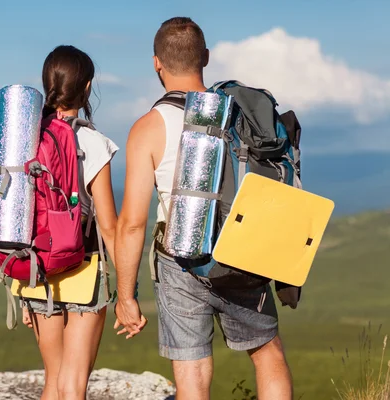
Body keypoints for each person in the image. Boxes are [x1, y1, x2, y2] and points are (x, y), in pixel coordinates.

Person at [113, 17, 293, 399]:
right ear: (206, 58)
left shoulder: (148, 127)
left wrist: (127, 296)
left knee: (192, 374)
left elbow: (132, 223)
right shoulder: (239, 114)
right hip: (242, 248)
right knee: (267, 353)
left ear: (156, 63)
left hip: (180, 260)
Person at [20, 45, 119, 400]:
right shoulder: (94, 143)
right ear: (88, 87)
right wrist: (128, 293)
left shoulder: (26, 140)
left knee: (54, 380)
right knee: (74, 385)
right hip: (84, 267)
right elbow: (108, 225)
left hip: (36, 269)